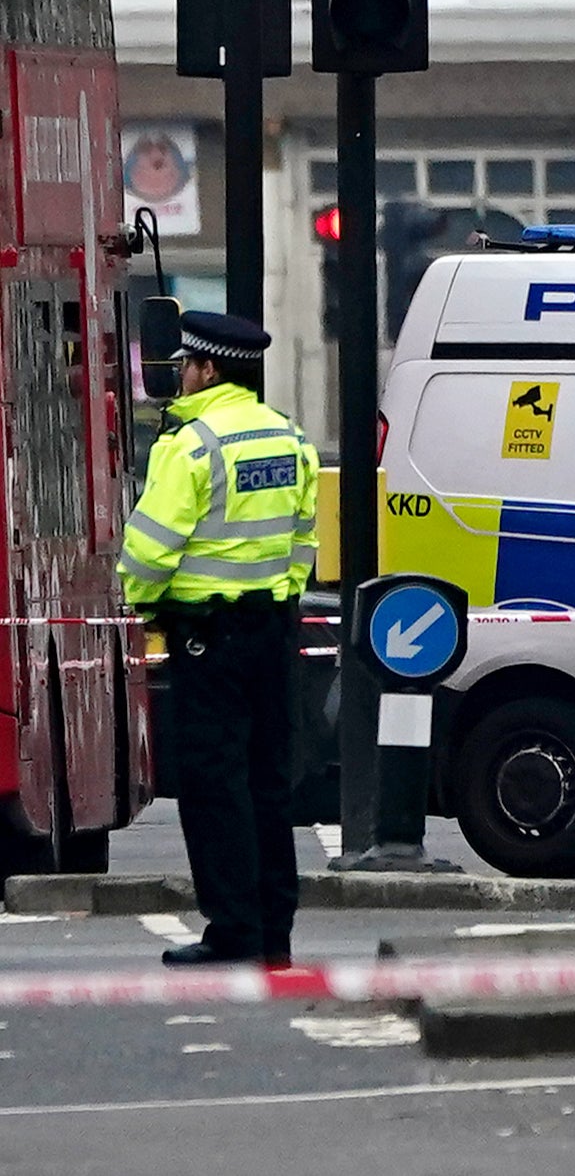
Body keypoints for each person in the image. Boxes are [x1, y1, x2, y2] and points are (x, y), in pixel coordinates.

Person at [117, 313, 319, 967]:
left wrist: (147, 610)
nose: (179, 378)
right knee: (268, 783)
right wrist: (281, 604)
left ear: (209, 369)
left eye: (184, 367)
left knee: (213, 785)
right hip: (273, 633)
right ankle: (274, 934)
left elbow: (149, 551)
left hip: (208, 638)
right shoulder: (289, 439)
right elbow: (302, 541)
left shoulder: (191, 447)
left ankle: (233, 931)